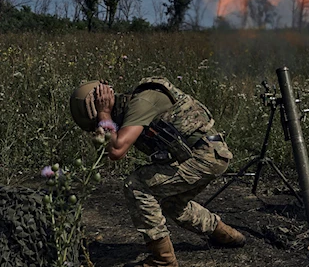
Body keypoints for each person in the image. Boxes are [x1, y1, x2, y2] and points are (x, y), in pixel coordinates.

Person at [69, 76, 246, 267]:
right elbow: (107, 149)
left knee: (136, 184)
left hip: (206, 156)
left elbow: (116, 150)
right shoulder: (128, 110)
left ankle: (163, 261)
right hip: (204, 156)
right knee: (173, 205)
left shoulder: (140, 103)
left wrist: (104, 114)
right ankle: (227, 235)